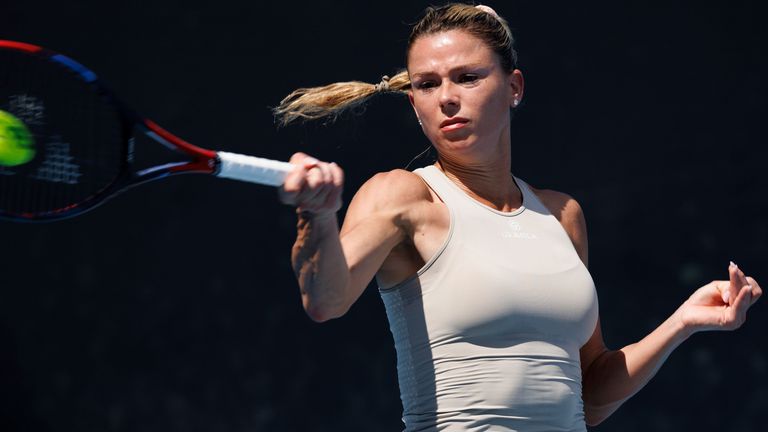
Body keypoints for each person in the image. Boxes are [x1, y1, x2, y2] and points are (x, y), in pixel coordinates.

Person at [275, 3, 762, 431]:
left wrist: (682, 322)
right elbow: (326, 299)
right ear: (414, 104)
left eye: (467, 77)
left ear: (514, 87)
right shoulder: (401, 196)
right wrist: (316, 218)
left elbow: (590, 397)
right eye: (427, 84)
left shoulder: (562, 214)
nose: (446, 97)